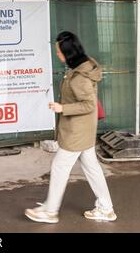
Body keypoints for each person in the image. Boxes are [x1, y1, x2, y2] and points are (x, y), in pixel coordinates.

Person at [25, 31, 117, 224]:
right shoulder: (82, 65)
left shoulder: (80, 77)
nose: (58, 55)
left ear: (68, 53)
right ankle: (106, 208)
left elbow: (89, 105)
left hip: (77, 131)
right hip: (85, 129)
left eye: (59, 52)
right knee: (92, 168)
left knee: (59, 167)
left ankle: (50, 211)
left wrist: (62, 108)